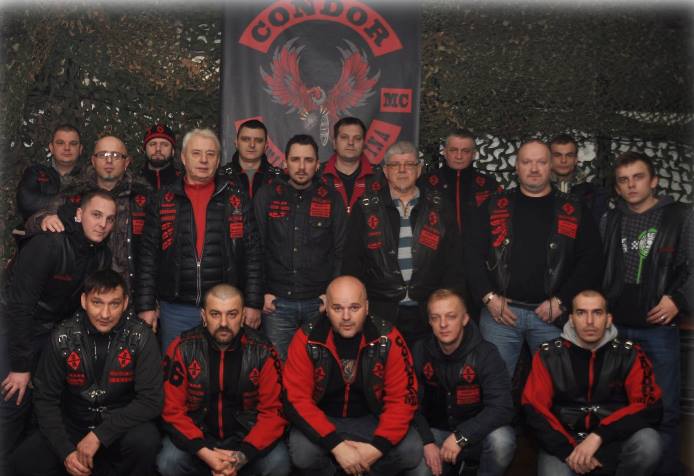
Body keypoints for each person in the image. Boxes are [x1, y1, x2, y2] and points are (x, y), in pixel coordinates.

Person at [463, 139, 603, 377]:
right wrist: (488, 297)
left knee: (555, 385)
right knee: (495, 386)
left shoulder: (575, 209)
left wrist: (562, 301)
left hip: (553, 317)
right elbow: (470, 254)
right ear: (516, 166)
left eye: (541, 162)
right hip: (500, 316)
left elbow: (591, 260)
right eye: (527, 162)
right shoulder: (494, 205)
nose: (534, 169)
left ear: (551, 166)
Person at [0, 191, 115, 472]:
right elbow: (19, 306)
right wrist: (20, 366)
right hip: (15, 328)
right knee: (13, 402)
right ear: (79, 214)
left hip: (52, 334)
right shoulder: (48, 244)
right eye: (96, 215)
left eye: (110, 219)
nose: (103, 224)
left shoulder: (101, 254)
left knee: (41, 409)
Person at [12, 269, 163, 476]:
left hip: (120, 427)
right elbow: (45, 399)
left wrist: (99, 436)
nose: (105, 314)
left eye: (114, 304)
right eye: (97, 303)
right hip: (73, 425)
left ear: (126, 303)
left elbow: (151, 400)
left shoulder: (141, 336)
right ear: (84, 301)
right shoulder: (62, 336)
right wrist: (66, 451)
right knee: (23, 460)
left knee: (146, 440)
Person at [600, 151, 693, 476]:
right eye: (623, 180)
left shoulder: (680, 216)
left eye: (638, 177)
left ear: (654, 181)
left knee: (665, 410)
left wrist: (678, 300)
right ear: (617, 188)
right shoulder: (610, 220)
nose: (631, 185)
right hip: (615, 329)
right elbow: (599, 269)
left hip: (658, 329)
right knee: (616, 408)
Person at [135, 128, 263, 351]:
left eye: (210, 154)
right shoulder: (163, 198)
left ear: (218, 160)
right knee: (176, 367)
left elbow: (253, 255)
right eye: (196, 153)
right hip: (176, 309)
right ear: (183, 158)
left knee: (224, 369)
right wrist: (145, 306)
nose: (204, 160)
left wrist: (253, 303)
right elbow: (147, 256)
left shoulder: (236, 198)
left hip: (225, 309)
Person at [284, 276, 422, 476]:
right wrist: (337, 446)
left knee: (411, 451)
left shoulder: (388, 337)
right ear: (326, 309)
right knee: (303, 454)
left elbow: (403, 397)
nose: (346, 316)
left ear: (366, 307)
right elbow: (296, 399)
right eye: (337, 308)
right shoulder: (306, 338)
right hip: (324, 418)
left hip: (371, 418)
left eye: (354, 307)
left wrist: (376, 449)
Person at [522, 290, 663, 476]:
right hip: (563, 444)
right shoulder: (548, 355)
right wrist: (569, 451)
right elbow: (534, 408)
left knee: (649, 443)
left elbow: (650, 405)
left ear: (608, 319)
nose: (589, 321)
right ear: (571, 319)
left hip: (614, 440)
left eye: (597, 313)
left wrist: (599, 435)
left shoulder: (630, 354)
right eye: (581, 313)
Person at [157, 284, 289, 476]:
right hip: (198, 436)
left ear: (243, 316)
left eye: (232, 314)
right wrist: (204, 452)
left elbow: (274, 412)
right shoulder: (182, 348)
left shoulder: (263, 351)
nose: (224, 323)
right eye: (215, 314)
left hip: (247, 437)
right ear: (204, 316)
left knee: (278, 463)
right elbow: (172, 410)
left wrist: (241, 456)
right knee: (168, 461)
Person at [343, 141, 465, 345]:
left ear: (419, 169)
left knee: (426, 365)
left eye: (409, 164)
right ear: (385, 171)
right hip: (380, 312)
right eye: (395, 165)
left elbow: (454, 263)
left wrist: (452, 306)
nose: (402, 170)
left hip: (429, 313)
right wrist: (356, 306)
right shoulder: (365, 207)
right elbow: (352, 261)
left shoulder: (439, 206)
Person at [254, 134, 348, 359]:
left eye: (308, 160)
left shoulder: (332, 198)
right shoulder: (267, 194)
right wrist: (261, 292)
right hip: (276, 303)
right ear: (285, 162)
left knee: (319, 368)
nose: (302, 166)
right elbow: (255, 247)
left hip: (319, 303)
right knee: (278, 367)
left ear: (318, 164)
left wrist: (332, 295)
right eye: (295, 159)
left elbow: (341, 250)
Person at [26, 135, 152, 291]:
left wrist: (147, 298)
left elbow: (155, 252)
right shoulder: (74, 193)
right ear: (93, 160)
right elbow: (32, 223)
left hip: (130, 292)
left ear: (126, 162)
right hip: (82, 293)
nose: (109, 161)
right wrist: (44, 219)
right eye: (103, 155)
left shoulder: (143, 198)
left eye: (115, 155)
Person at [411, 289, 515, 476]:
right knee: (418, 464)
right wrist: (427, 441)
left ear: (465, 319)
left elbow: (502, 407)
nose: (443, 324)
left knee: (502, 442)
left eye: (451, 316)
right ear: (430, 322)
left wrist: (462, 436)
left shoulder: (486, 353)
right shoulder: (420, 350)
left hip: (478, 435)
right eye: (436, 318)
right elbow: (410, 402)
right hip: (436, 434)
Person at [422, 129, 500, 233]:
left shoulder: (489, 185)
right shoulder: (425, 183)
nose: (459, 156)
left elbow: (501, 224)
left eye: (465, 151)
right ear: (444, 152)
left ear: (474, 154)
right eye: (453, 150)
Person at [16, 124, 83, 221]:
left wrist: (49, 202)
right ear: (51, 148)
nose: (67, 148)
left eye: (73, 143)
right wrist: (66, 200)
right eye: (60, 143)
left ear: (80, 149)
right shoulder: (35, 172)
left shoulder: (88, 176)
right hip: (39, 229)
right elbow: (26, 202)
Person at [321, 117, 378, 213]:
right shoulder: (317, 175)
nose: (351, 143)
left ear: (363, 144)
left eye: (357, 138)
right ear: (334, 143)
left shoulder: (379, 176)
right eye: (344, 137)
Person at [549, 133, 609, 223]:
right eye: (557, 155)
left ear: (576, 159)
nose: (563, 160)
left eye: (569, 155)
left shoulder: (594, 195)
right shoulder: (537, 191)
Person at [221, 119, 280, 199]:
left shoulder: (279, 178)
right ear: (236, 143)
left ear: (266, 146)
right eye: (246, 139)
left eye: (258, 140)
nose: (252, 145)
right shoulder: (221, 177)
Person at [141, 123, 181, 191]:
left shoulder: (185, 182)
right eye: (152, 144)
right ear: (144, 150)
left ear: (173, 151)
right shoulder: (132, 184)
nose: (158, 149)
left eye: (164, 144)